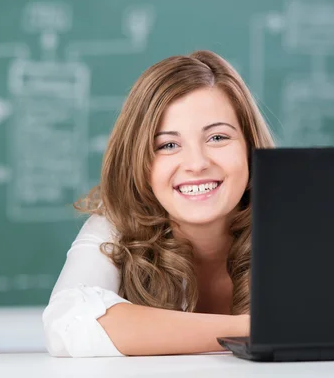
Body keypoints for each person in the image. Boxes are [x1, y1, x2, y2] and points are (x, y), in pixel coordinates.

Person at [42, 49, 276, 357]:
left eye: (217, 138)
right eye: (168, 145)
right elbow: (68, 323)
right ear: (140, 163)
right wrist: (257, 329)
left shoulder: (294, 222)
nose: (196, 163)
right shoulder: (114, 227)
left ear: (248, 147)